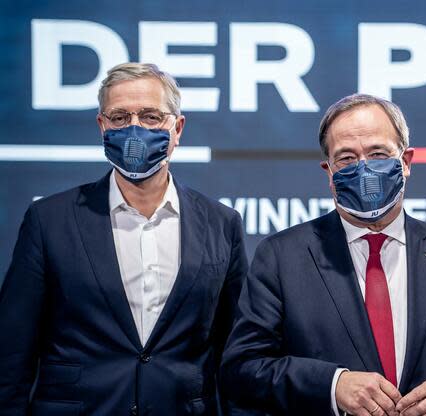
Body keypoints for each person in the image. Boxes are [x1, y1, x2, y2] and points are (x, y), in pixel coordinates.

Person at [221, 94, 426, 416]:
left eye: (378, 153)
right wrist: (332, 385)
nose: (364, 169)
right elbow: (242, 368)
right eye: (346, 159)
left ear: (406, 162)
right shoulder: (281, 257)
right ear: (328, 171)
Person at [0, 63, 248, 415]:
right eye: (119, 118)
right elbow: (11, 352)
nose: (134, 130)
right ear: (102, 126)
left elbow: (235, 351)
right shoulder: (49, 221)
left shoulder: (222, 224)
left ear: (177, 128)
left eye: (150, 117)